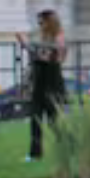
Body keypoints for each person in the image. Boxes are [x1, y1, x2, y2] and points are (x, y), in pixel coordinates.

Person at [17, 10, 67, 163]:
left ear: (49, 22)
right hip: (39, 84)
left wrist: (33, 48)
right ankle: (34, 154)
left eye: (42, 22)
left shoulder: (59, 37)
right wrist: (25, 45)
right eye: (39, 22)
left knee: (54, 122)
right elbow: (38, 55)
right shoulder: (41, 38)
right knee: (35, 120)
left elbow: (57, 56)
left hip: (52, 84)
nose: (39, 25)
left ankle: (67, 147)